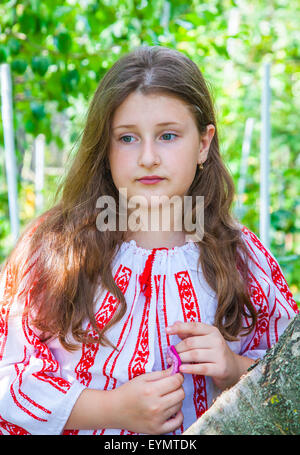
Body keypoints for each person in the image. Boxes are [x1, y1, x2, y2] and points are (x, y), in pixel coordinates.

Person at [0, 46, 298, 436]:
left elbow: (289, 373)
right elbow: (11, 377)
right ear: (104, 148)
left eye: (168, 136)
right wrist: (112, 408)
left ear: (204, 143)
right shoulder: (56, 249)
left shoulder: (242, 256)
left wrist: (232, 368)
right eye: (127, 139)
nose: (148, 157)